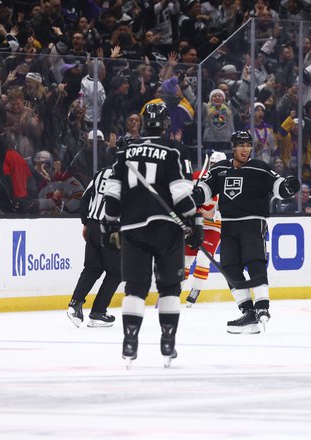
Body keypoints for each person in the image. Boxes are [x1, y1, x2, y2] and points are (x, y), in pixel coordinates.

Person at [103, 102, 203, 368]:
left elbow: (112, 191)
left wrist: (110, 222)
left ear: (143, 123)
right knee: (169, 287)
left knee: (135, 288)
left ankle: (129, 341)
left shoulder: (126, 152)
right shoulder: (172, 150)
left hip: (132, 228)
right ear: (166, 125)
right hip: (167, 228)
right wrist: (194, 221)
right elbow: (181, 194)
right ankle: (168, 342)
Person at [195, 131, 300, 334]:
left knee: (255, 263)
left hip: (252, 223)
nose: (245, 149)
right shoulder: (220, 169)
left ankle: (262, 307)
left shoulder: (259, 168)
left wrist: (288, 187)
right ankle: (248, 312)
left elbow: (279, 187)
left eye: (248, 145)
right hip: (228, 225)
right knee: (229, 268)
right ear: (233, 147)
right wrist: (196, 194)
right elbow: (205, 190)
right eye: (241, 145)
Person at [67, 165, 121, 328]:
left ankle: (75, 304)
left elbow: (85, 197)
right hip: (112, 229)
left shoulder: (101, 173)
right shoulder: (132, 176)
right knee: (116, 272)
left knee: (92, 268)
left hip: (93, 226)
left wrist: (86, 223)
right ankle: (98, 312)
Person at [185, 151, 227, 307]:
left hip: (213, 226)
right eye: (213, 164)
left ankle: (195, 291)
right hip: (193, 223)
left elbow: (231, 208)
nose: (215, 168)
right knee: (186, 259)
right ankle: (175, 291)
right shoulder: (197, 176)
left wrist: (213, 213)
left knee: (204, 258)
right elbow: (182, 195)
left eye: (218, 165)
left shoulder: (228, 181)